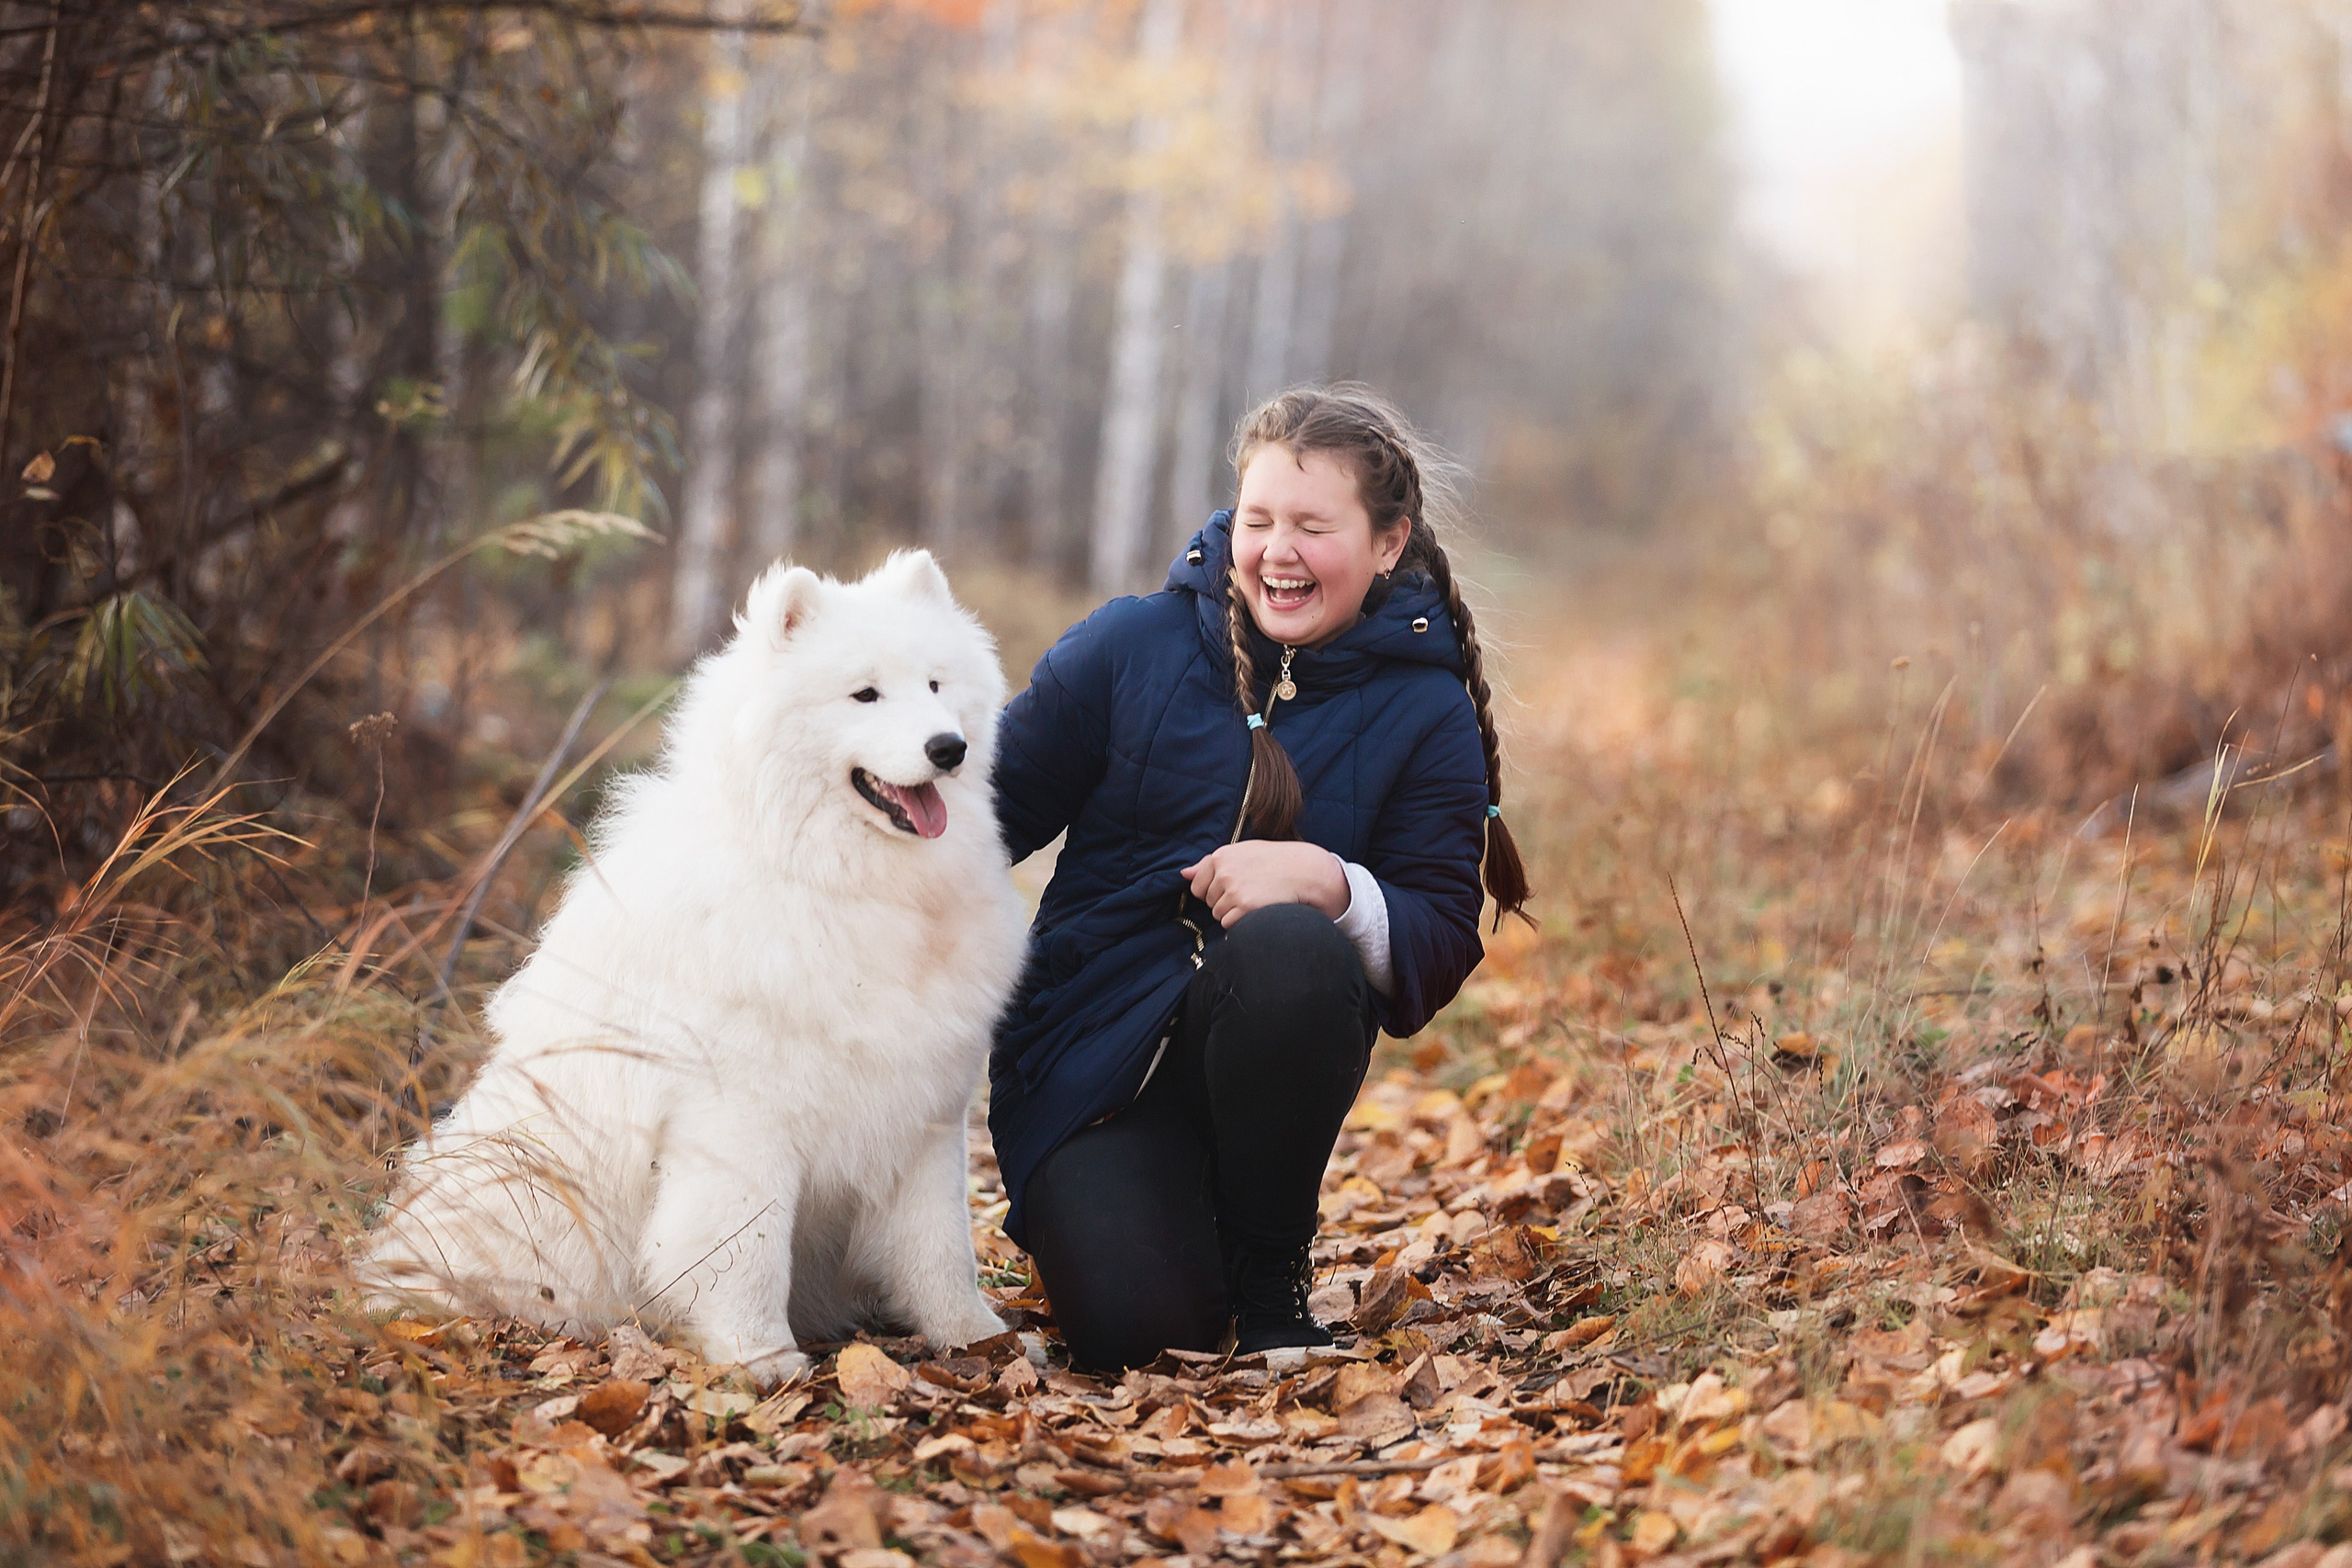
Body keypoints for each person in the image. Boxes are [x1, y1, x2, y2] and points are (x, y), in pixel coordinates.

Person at [989, 384, 1529, 1370]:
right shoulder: (1129, 647)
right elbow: (979, 821)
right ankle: (1139, 1219)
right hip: (1087, 1069)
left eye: (1313, 527)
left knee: (1289, 944)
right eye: (1259, 518)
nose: (1276, 550)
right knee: (1139, 1341)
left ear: (1387, 543)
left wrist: (1332, 882)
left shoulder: (1426, 712)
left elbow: (1443, 934)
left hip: (1264, 1053)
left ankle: (1270, 1271)